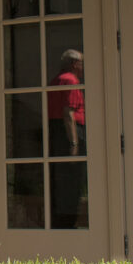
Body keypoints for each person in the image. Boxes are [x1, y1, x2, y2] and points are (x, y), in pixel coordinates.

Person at [46, 49, 86, 229]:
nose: (84, 67)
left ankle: (59, 222)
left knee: (60, 179)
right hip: (69, 132)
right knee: (72, 180)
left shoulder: (56, 80)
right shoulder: (70, 80)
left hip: (55, 131)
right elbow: (68, 114)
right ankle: (68, 224)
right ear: (74, 64)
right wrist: (74, 142)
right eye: (82, 63)